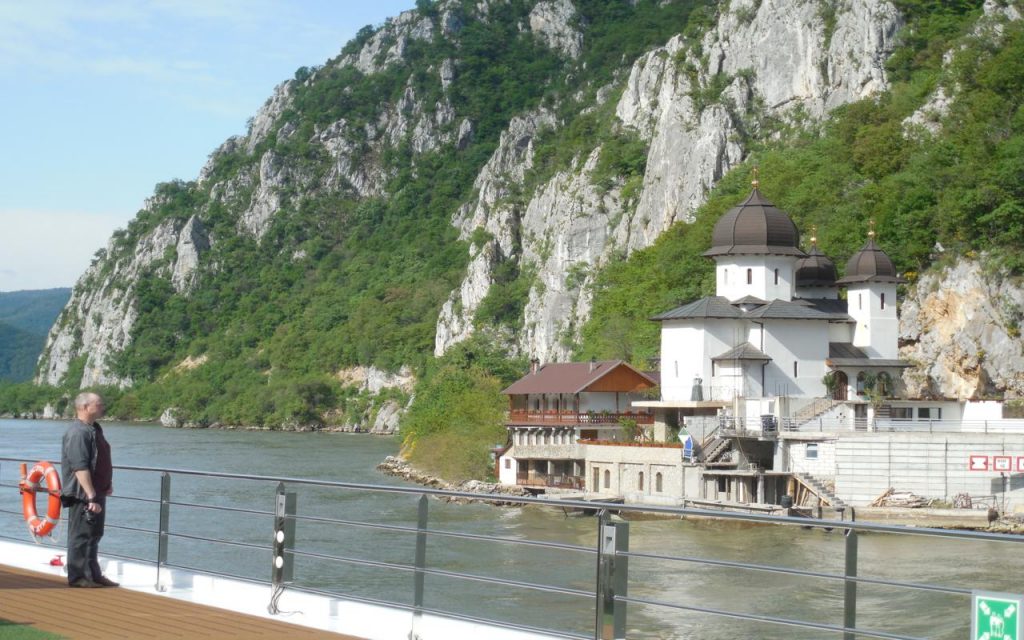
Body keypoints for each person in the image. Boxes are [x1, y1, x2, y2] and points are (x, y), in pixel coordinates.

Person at [61, 392, 119, 588]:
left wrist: (106, 483)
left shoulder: (94, 429)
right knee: (81, 534)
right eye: (99, 404)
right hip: (83, 494)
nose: (103, 407)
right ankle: (79, 577)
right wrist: (90, 495)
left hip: (96, 491)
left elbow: (99, 460)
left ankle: (93, 574)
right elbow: (79, 466)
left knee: (95, 533)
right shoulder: (78, 433)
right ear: (85, 407)